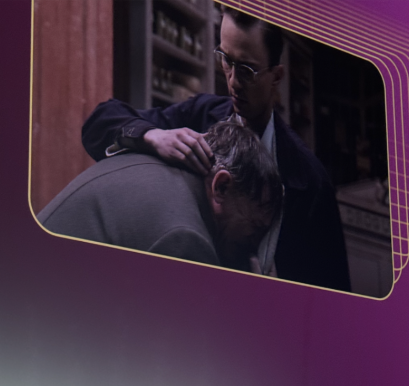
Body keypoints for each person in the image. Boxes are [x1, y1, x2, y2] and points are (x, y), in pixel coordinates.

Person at [81, 8, 350, 291]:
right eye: (225, 60)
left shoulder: (311, 182)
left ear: (276, 76)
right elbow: (100, 122)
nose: (232, 81)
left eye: (247, 70)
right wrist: (153, 135)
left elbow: (333, 296)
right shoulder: (200, 116)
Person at [39, 121, 283, 275]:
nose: (255, 245)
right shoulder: (184, 240)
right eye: (255, 228)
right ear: (221, 187)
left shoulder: (154, 165)